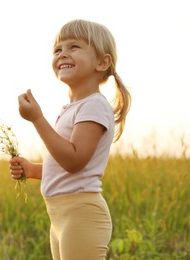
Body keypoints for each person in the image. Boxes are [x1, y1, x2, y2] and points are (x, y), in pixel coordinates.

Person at [9, 19, 131, 259]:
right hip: (60, 214)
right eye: (57, 49)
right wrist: (33, 170)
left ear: (102, 62)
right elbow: (68, 167)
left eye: (74, 47)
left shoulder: (94, 105)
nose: (63, 53)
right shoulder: (73, 107)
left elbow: (74, 160)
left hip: (81, 213)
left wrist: (37, 119)